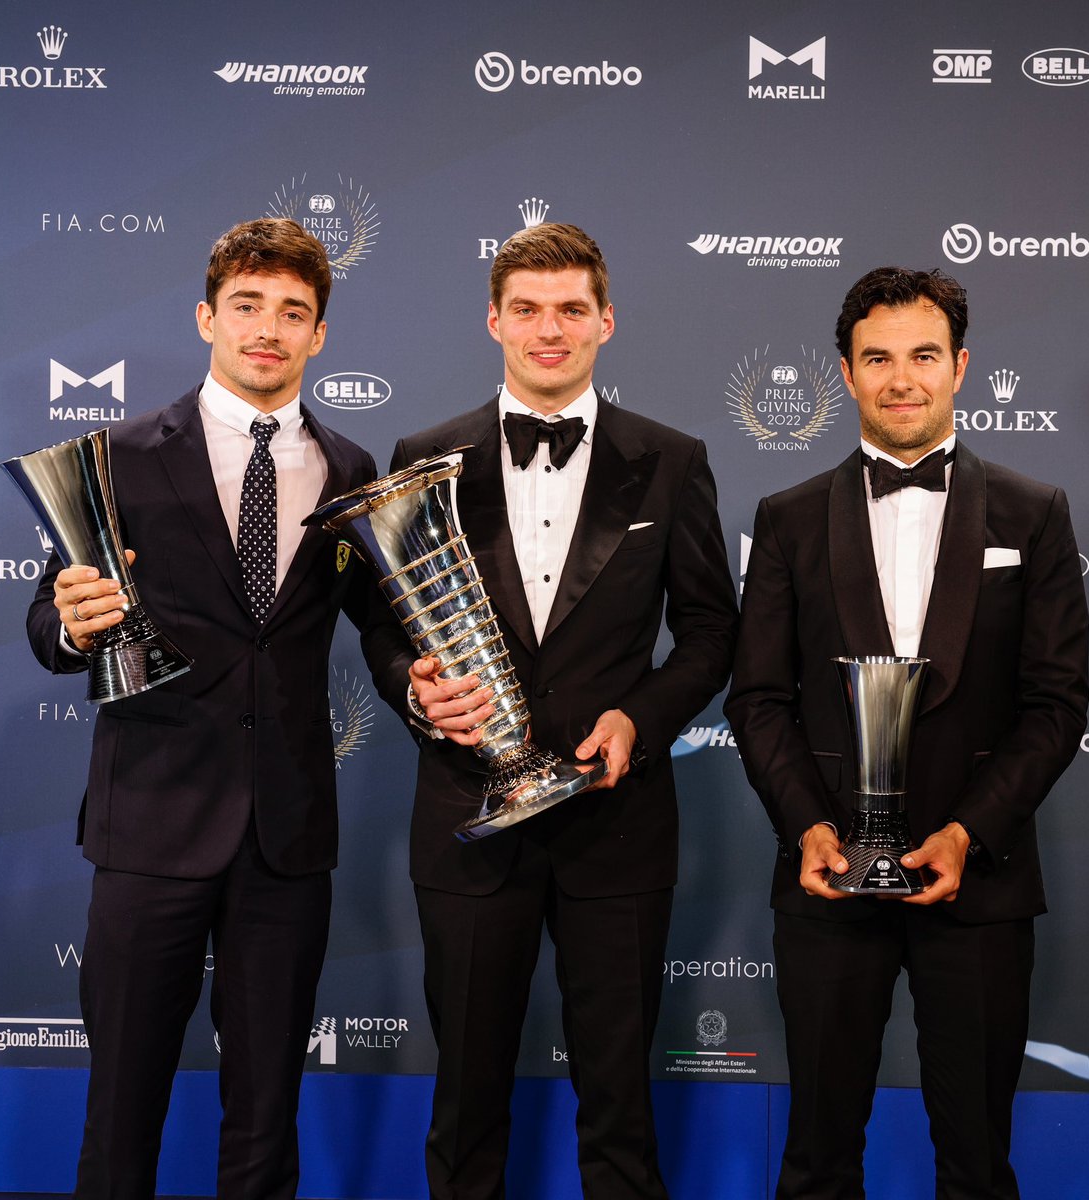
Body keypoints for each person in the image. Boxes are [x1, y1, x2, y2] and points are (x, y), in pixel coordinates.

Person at [362, 222, 738, 1199]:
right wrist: (412, 682)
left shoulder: (670, 460)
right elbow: (382, 627)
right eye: (526, 309)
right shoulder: (421, 455)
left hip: (614, 820)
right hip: (466, 822)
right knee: (467, 1097)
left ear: (605, 321)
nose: (548, 329)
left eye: (571, 309)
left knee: (618, 1099)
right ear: (493, 319)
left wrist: (639, 719)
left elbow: (708, 631)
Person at [27, 217, 382, 1200]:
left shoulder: (353, 472)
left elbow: (385, 633)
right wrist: (73, 625)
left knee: (267, 1115)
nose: (267, 328)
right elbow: (50, 624)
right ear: (206, 317)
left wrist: (431, 688)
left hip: (287, 838)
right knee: (121, 1110)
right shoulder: (121, 456)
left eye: (293, 312)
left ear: (318, 335)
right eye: (246, 306)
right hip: (150, 827)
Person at [725, 266, 1089, 1199]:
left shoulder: (1035, 513)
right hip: (828, 882)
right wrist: (809, 827)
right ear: (844, 374)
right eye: (876, 358)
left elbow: (1056, 705)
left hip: (981, 886)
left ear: (960, 366)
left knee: (975, 1161)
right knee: (815, 1160)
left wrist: (968, 833)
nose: (901, 379)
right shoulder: (788, 518)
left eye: (923, 355)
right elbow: (757, 698)